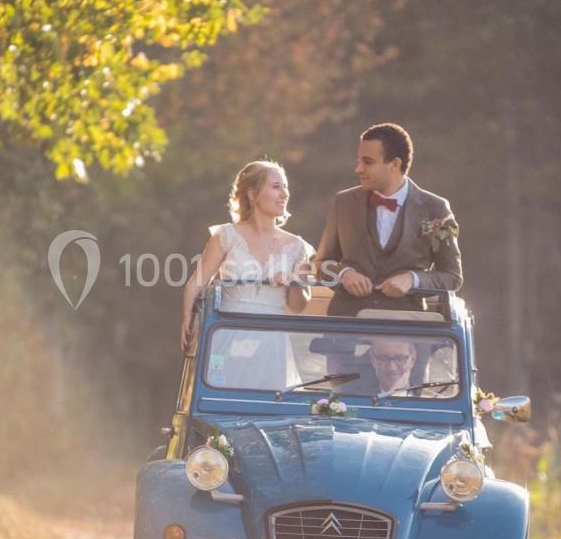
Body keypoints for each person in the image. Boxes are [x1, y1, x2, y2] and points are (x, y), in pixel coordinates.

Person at [308, 123, 462, 317]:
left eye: (368, 162)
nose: (358, 169)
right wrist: (343, 274)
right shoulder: (344, 202)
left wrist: (412, 279)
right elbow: (320, 262)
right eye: (359, 161)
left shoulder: (436, 209)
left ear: (395, 164)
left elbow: (452, 277)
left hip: (404, 333)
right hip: (346, 330)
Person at [180, 161, 313, 387]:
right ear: (252, 194)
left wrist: (293, 282)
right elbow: (197, 282)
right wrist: (187, 318)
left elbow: (298, 306)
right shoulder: (227, 236)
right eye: (276, 187)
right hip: (228, 331)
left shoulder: (296, 245)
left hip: (272, 340)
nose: (285, 194)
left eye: (285, 187)